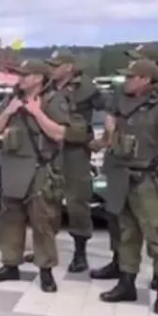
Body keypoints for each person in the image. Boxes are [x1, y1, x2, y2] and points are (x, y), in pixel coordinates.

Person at [97, 59, 158, 315]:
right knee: (127, 234)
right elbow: (111, 122)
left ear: (146, 80)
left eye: (131, 76)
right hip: (124, 177)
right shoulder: (123, 103)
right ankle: (126, 284)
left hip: (149, 179)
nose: (126, 80)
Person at [0, 60, 70, 293]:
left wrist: (37, 112)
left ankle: (46, 271)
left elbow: (60, 134)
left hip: (39, 168)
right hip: (13, 168)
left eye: (26, 75)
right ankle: (10, 263)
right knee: (10, 219)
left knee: (43, 221)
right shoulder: (11, 99)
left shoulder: (53, 100)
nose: (20, 79)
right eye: (19, 74)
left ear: (39, 78)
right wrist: (10, 111)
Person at [45, 50, 104, 273]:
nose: (52, 68)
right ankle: (45, 249)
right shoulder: (48, 86)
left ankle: (80, 254)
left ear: (69, 67)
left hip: (75, 151)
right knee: (46, 200)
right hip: (51, 148)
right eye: (50, 64)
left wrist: (106, 136)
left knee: (77, 202)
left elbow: (109, 107)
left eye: (57, 65)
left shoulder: (86, 88)